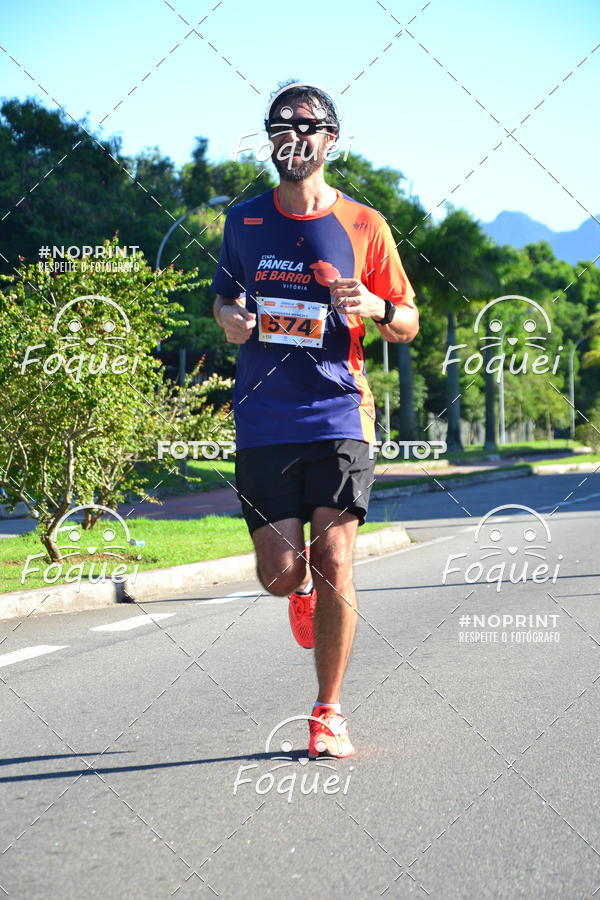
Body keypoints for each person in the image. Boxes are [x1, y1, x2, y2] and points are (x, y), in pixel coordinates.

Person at [211, 81, 418, 758]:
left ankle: (328, 710)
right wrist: (232, 321)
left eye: (306, 125)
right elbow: (224, 301)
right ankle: (297, 592)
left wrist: (378, 309)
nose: (292, 136)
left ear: (331, 138)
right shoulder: (242, 221)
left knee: (334, 556)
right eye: (279, 125)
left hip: (339, 410)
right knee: (281, 572)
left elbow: (408, 321)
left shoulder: (365, 225)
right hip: (265, 416)